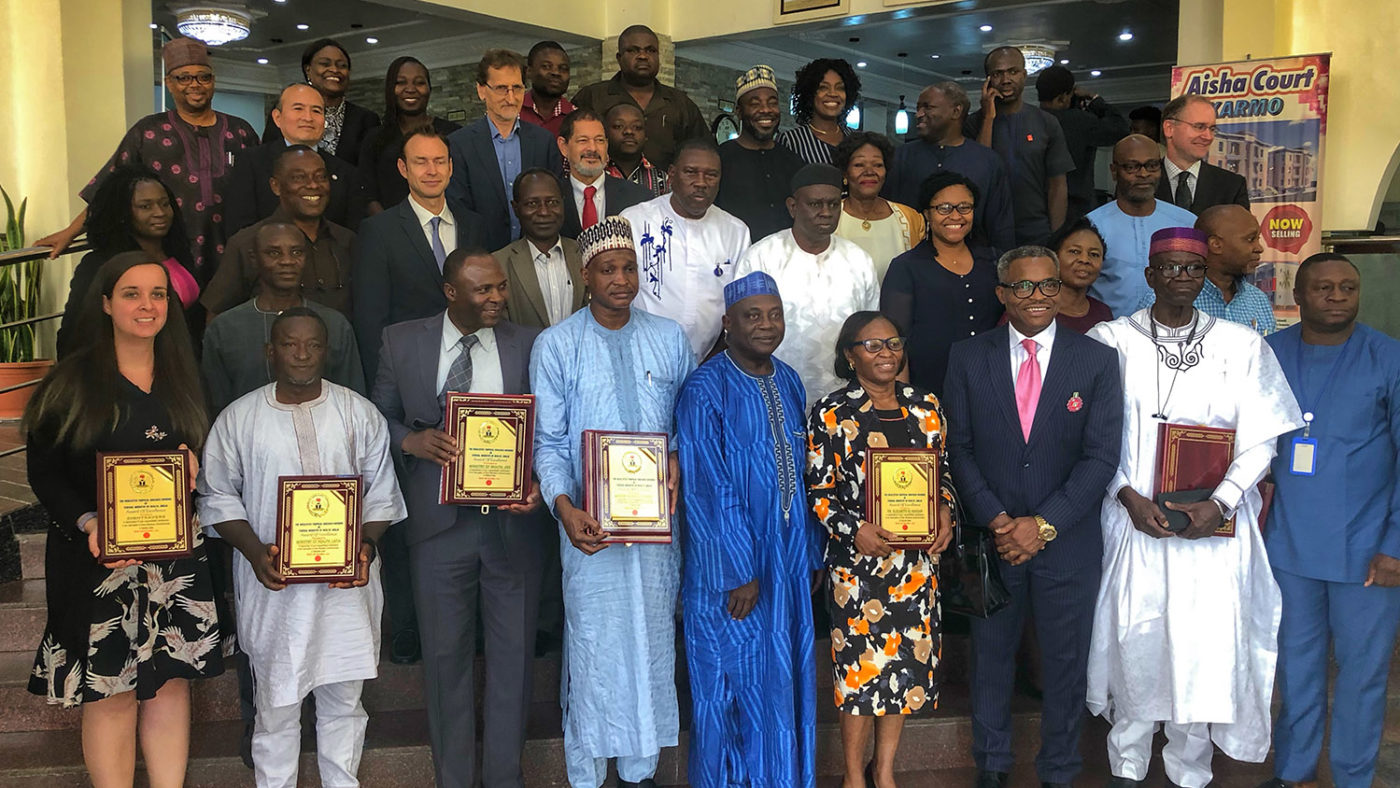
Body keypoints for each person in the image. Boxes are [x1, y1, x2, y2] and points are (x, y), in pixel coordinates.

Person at [1085, 227, 1303, 788]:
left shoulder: (1241, 344)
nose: (1182, 277)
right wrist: (1127, 496)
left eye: (1193, 269)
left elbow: (1264, 436)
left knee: (1203, 640)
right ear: (1150, 274)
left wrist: (1223, 503)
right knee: (1137, 630)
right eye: (1171, 268)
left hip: (1214, 529)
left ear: (1205, 275)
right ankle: (1128, 758)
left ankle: (1189, 765)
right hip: (1135, 519)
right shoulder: (1110, 341)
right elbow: (1091, 434)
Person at [24, 251, 221, 785]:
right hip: (97, 562)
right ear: (106, 303)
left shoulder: (189, 377)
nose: (147, 305)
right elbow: (43, 472)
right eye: (131, 294)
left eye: (158, 294)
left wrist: (197, 466)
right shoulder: (72, 381)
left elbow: (215, 459)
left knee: (172, 683)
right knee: (110, 690)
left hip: (175, 562)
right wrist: (88, 521)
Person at [198, 306, 406, 788]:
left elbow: (381, 494)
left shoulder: (358, 412)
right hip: (273, 589)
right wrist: (254, 553)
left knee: (343, 704)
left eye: (313, 345)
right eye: (290, 345)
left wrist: (367, 551)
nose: (302, 354)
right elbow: (218, 495)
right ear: (270, 352)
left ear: (326, 351)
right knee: (276, 704)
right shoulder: (239, 418)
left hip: (346, 588)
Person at [942, 246, 1123, 788]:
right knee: (990, 659)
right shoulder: (967, 356)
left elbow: (1101, 457)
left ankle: (1060, 770)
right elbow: (958, 449)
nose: (1038, 296)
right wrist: (999, 519)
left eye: (1048, 285)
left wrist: (1042, 525)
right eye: (1024, 287)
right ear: (1003, 294)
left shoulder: (1095, 360)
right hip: (991, 542)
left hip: (1065, 543)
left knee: (1065, 664)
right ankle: (992, 766)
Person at [371, 249, 548, 788]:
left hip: (512, 525)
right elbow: (376, 412)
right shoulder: (401, 340)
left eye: (500, 288)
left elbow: (551, 424)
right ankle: (453, 779)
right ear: (451, 292)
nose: (497, 298)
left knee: (513, 660)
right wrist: (410, 439)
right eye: (483, 290)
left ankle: (503, 778)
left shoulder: (529, 343)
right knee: (445, 661)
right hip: (437, 525)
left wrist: (538, 482)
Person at [530, 217, 696, 788]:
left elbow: (684, 426)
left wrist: (677, 457)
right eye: (607, 269)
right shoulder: (556, 345)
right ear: (586, 275)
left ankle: (641, 766)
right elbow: (548, 442)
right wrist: (564, 507)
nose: (620, 279)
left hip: (656, 529)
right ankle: (587, 769)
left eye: (628, 267)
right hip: (588, 528)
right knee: (594, 640)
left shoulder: (670, 337)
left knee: (650, 635)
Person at [676, 271, 823, 788]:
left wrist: (808, 553)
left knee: (781, 682)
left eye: (774, 314)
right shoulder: (704, 388)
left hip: (785, 562)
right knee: (732, 687)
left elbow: (799, 478)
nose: (767, 325)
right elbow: (705, 486)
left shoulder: (787, 379)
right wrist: (739, 569)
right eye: (753, 316)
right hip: (732, 575)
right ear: (728, 324)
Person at [1261, 253, 1400, 788]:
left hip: (1368, 551)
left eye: (1347, 287)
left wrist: (1396, 545)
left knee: (1363, 676)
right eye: (1323, 287)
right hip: (1288, 547)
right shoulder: (1269, 353)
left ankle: (1353, 777)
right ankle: (1292, 771)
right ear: (1299, 295)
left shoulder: (1388, 357)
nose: (1337, 296)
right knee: (1295, 670)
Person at [806, 311, 956, 788]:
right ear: (850, 356)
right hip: (859, 569)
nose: (885, 352)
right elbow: (818, 491)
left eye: (892, 343)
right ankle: (854, 775)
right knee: (860, 675)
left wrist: (945, 512)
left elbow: (944, 474)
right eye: (872, 346)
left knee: (905, 672)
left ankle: (885, 770)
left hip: (915, 567)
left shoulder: (926, 406)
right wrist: (854, 530)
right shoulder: (832, 412)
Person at [37, 38, 259, 274]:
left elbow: (264, 188)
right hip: (168, 254)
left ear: (212, 81)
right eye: (183, 77)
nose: (195, 84)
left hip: (236, 257)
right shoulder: (148, 132)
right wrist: (70, 233)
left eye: (203, 77)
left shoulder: (240, 130)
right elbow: (109, 190)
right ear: (169, 84)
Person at [733, 163, 879, 406]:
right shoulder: (761, 257)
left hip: (845, 400)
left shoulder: (858, 260)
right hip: (772, 394)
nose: (826, 212)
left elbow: (869, 332)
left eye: (833, 204)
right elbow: (741, 331)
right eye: (815, 204)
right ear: (793, 206)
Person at [354, 128, 486, 385]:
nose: (431, 170)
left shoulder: (474, 225)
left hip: (474, 369)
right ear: (403, 168)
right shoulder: (379, 231)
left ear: (450, 167)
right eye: (420, 162)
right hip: (408, 372)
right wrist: (384, 383)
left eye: (439, 161)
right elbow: (370, 321)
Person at [201, 222, 364, 415]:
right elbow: (215, 406)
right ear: (254, 258)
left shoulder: (335, 324)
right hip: (246, 440)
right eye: (274, 253)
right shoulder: (224, 329)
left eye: (296, 252)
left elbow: (353, 403)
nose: (287, 261)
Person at [623, 137, 749, 362]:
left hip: (708, 360)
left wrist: (714, 360)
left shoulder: (735, 232)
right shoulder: (635, 221)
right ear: (672, 175)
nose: (701, 182)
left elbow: (739, 306)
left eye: (711, 175)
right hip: (640, 357)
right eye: (691, 172)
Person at [56, 165, 201, 357]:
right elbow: (75, 330)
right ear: (123, 213)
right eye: (145, 206)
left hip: (180, 368)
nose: (160, 212)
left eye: (165, 204)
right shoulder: (102, 263)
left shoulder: (177, 252)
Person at [881, 171, 1002, 398]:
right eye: (944, 208)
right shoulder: (906, 267)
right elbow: (896, 341)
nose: (955, 216)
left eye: (964, 207)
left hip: (992, 386)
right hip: (929, 389)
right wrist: (903, 399)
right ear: (927, 213)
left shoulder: (993, 261)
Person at [202, 145, 355, 317]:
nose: (313, 185)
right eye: (299, 178)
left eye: (321, 177)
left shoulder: (347, 241)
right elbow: (217, 315)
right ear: (275, 186)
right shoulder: (247, 242)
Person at [446, 49, 563, 252]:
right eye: (501, 88)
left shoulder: (544, 142)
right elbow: (460, 209)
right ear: (481, 90)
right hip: (483, 257)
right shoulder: (459, 145)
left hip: (536, 257)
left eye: (516, 88)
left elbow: (557, 201)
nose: (510, 97)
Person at [884, 82, 1014, 253]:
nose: (919, 114)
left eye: (927, 107)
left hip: (972, 262)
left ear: (956, 111)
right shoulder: (900, 156)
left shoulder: (987, 161)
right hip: (909, 259)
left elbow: (1000, 225)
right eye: (918, 108)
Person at [224, 82, 369, 234]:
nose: (308, 117)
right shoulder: (251, 162)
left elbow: (353, 233)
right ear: (277, 117)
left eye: (316, 111)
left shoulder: (345, 172)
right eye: (298, 109)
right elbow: (239, 228)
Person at [966, 47, 1074, 245]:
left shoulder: (1046, 122)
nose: (1006, 80)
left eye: (1013, 72)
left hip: (1037, 232)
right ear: (988, 80)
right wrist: (988, 117)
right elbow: (980, 171)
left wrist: (1056, 238)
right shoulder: (974, 123)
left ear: (1024, 75)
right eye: (998, 74)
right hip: (986, 233)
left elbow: (1057, 185)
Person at [1086, 134, 1197, 317]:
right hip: (1109, 335)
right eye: (1132, 167)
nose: (1144, 174)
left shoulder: (1186, 223)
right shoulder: (1092, 225)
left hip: (1173, 334)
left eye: (1152, 165)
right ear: (1114, 171)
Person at [571, 24, 708, 171]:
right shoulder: (592, 97)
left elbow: (703, 152)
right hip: (604, 189)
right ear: (619, 58)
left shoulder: (680, 103)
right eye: (633, 50)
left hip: (665, 190)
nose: (643, 56)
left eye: (651, 50)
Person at [1135, 204, 1275, 335]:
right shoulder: (1162, 299)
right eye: (1250, 239)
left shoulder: (1258, 300)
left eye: (1258, 239)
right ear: (1215, 245)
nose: (1259, 248)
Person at [359, 57, 462, 215]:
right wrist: (389, 227)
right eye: (401, 82)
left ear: (429, 88)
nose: (410, 89)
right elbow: (368, 194)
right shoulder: (374, 138)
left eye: (419, 82)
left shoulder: (453, 134)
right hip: (390, 230)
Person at [716, 65, 807, 242]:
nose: (766, 110)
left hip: (785, 262)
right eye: (755, 104)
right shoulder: (720, 160)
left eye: (772, 102)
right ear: (739, 112)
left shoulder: (793, 162)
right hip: (733, 262)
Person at [263, 39, 380, 166]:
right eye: (325, 64)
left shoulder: (366, 119)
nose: (334, 70)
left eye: (342, 65)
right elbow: (268, 157)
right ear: (308, 70)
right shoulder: (286, 111)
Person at [495, 168, 587, 329]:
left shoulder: (585, 254)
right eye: (532, 204)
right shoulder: (498, 264)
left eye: (552, 202)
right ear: (516, 208)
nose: (544, 211)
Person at [1035, 65, 1129, 221]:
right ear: (1063, 97)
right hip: (1076, 209)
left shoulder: (1030, 121)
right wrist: (1094, 100)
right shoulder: (1079, 121)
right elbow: (1120, 129)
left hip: (1037, 209)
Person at [832, 131, 925, 280]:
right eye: (859, 165)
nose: (869, 172)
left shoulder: (910, 219)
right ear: (845, 173)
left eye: (877, 165)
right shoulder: (829, 217)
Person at [558, 109, 652, 238]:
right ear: (564, 147)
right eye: (583, 140)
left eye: (600, 140)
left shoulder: (639, 198)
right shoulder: (550, 197)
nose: (593, 148)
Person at [1155, 94, 1250, 213]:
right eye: (1199, 127)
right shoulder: (1141, 181)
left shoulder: (1232, 186)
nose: (1208, 137)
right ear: (1169, 128)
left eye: (1212, 129)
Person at [774, 58, 860, 165]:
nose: (833, 94)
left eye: (840, 88)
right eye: (823, 88)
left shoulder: (857, 139)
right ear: (810, 94)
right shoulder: (791, 141)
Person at [1046, 217, 1114, 332]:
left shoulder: (1103, 313)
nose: (1084, 259)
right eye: (1074, 251)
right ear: (1054, 257)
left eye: (1094, 254)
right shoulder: (1032, 309)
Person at [604, 103, 669, 196]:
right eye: (618, 126)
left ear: (646, 135)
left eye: (637, 127)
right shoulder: (594, 174)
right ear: (604, 133)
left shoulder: (663, 179)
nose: (629, 131)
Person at [520, 41, 576, 136]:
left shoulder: (576, 117)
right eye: (546, 66)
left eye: (563, 68)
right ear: (529, 72)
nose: (556, 72)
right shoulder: (512, 111)